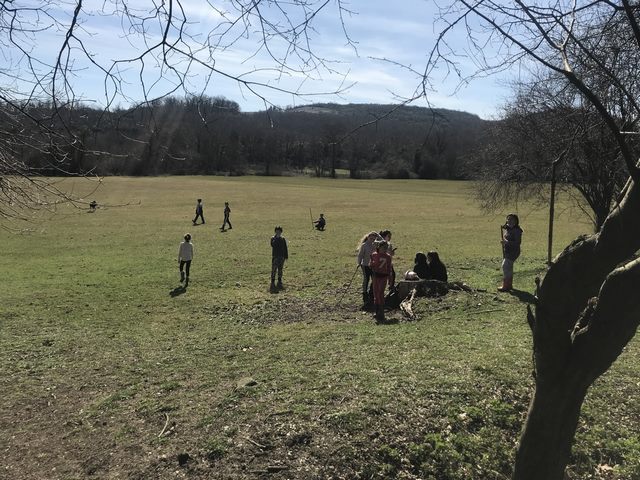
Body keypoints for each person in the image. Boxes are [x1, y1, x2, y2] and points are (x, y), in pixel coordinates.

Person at [356, 231, 381, 310]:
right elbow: (360, 255)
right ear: (368, 237)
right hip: (365, 265)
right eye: (371, 238)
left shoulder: (376, 245)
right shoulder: (364, 245)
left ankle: (372, 293)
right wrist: (359, 262)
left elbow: (384, 242)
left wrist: (378, 236)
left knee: (374, 280)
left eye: (374, 239)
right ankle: (364, 293)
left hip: (374, 266)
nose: (372, 240)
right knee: (366, 279)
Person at [370, 240, 393, 323]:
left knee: (380, 293)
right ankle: (377, 311)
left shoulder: (388, 257)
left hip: (383, 276)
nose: (384, 249)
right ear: (379, 247)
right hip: (376, 276)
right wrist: (372, 264)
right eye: (383, 248)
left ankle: (381, 312)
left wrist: (390, 279)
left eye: (386, 248)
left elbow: (389, 268)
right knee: (376, 293)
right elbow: (371, 265)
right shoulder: (374, 255)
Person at [499, 213, 523, 292]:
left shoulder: (517, 231)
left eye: (512, 219)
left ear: (516, 221)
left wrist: (506, 242)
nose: (509, 221)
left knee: (505, 266)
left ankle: (506, 286)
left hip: (513, 251)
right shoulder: (509, 228)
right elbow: (506, 227)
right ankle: (509, 285)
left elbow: (517, 243)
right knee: (508, 267)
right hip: (508, 250)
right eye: (508, 219)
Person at [270, 226, 288, 292]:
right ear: (275, 231)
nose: (278, 232)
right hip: (275, 256)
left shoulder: (283, 239)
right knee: (274, 269)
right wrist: (276, 238)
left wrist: (286, 256)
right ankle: (272, 281)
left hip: (281, 256)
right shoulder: (273, 238)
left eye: (279, 231)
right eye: (277, 231)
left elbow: (285, 248)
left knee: (280, 269)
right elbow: (273, 245)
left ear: (281, 232)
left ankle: (279, 280)